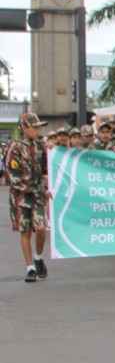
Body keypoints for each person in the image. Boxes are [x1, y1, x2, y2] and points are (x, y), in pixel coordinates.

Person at [6, 113, 50, 283]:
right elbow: (15, 178)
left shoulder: (40, 147)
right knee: (25, 231)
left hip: (38, 195)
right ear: (25, 128)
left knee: (40, 228)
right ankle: (30, 267)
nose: (39, 130)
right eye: (35, 127)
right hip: (20, 197)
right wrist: (39, 191)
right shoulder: (14, 149)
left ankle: (38, 257)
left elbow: (47, 170)